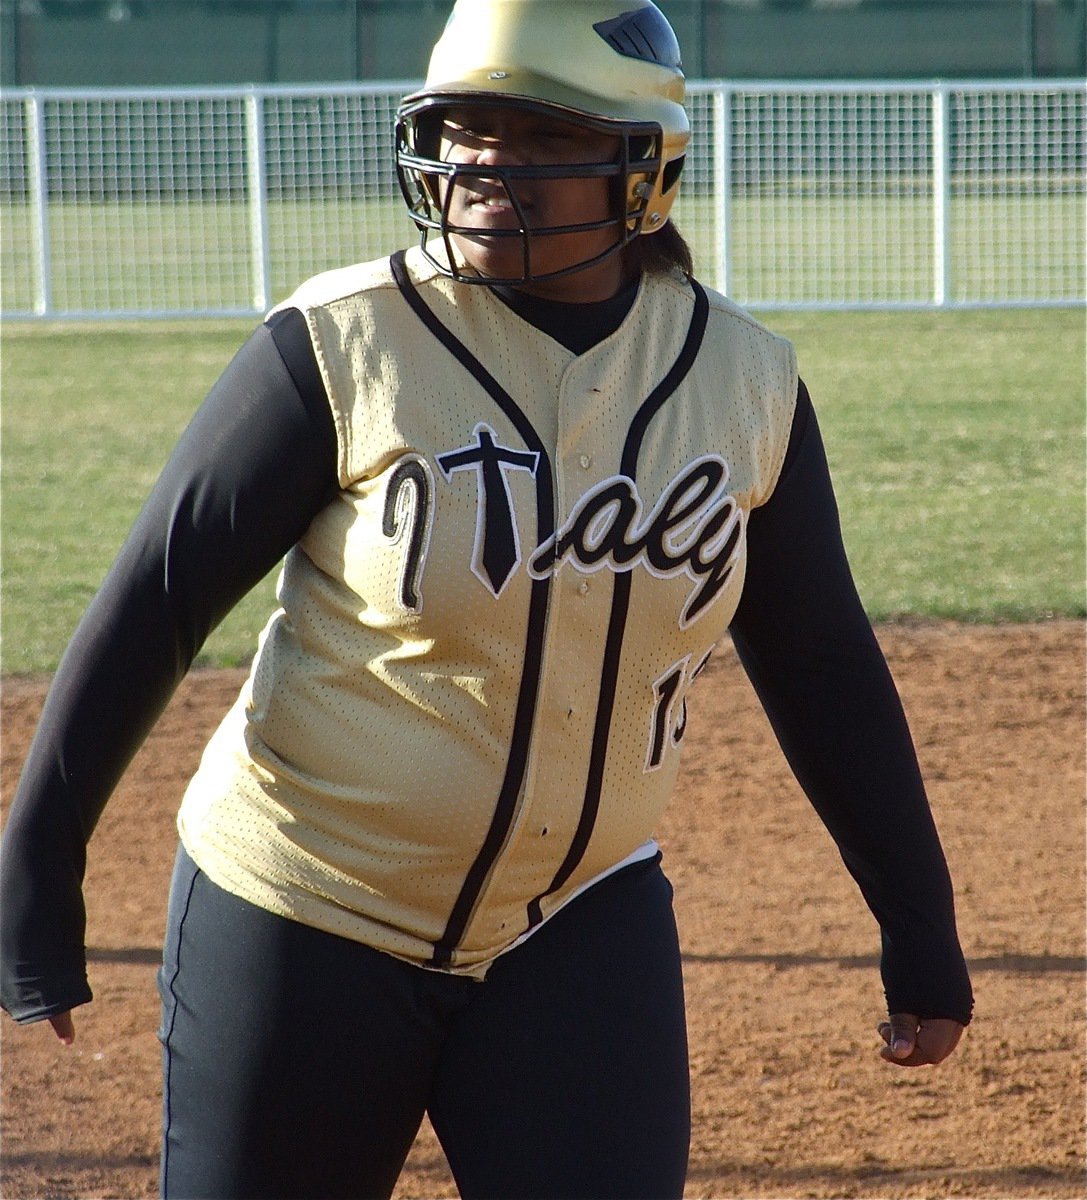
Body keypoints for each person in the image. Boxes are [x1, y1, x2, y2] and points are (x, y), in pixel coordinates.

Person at [0, 1, 973, 1197]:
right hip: (306, 909)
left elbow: (820, 661)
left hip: (580, 919)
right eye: (463, 131)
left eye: (530, 136)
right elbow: (156, 602)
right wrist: (39, 868)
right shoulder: (345, 342)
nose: (480, 168)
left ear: (644, 167)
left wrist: (917, 926)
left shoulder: (743, 382)